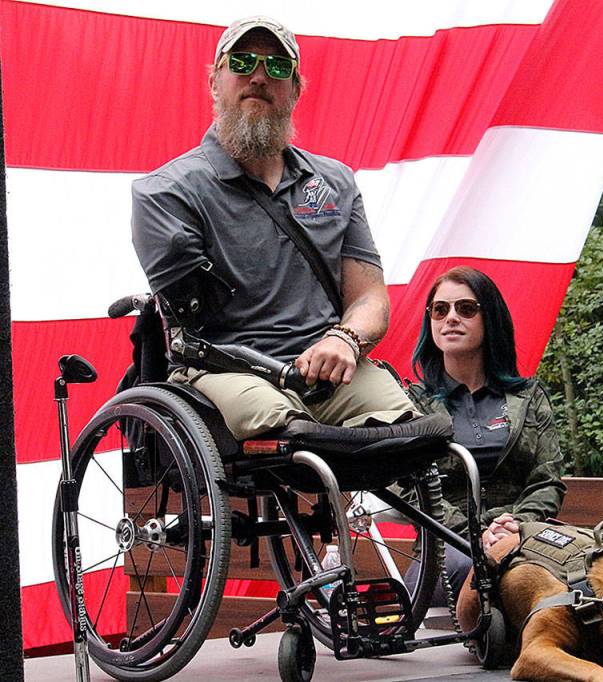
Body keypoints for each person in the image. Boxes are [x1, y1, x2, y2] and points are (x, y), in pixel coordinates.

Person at [130, 16, 415, 438]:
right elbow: (189, 323)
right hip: (226, 371)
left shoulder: (335, 181)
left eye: (278, 67)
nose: (259, 76)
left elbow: (370, 297)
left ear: (296, 90)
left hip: (325, 366)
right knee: (289, 432)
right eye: (242, 62)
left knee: (414, 432)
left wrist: (345, 340)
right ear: (214, 81)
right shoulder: (165, 192)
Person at [405, 266, 566, 600]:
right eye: (440, 309)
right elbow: (403, 484)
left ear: (489, 319)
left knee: (567, 573)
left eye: (465, 309)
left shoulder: (528, 396)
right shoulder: (411, 404)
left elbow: (547, 480)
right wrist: (474, 532)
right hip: (447, 544)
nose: (450, 318)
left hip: (523, 535)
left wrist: (515, 525)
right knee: (479, 567)